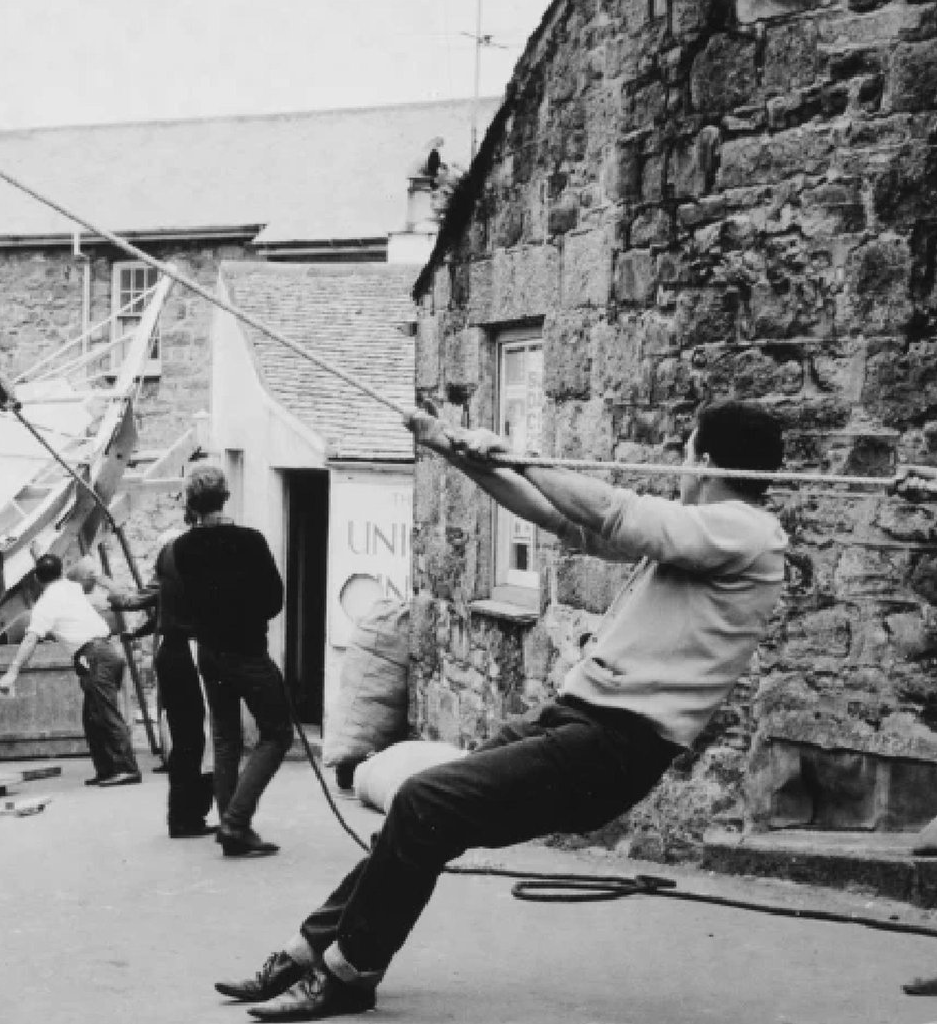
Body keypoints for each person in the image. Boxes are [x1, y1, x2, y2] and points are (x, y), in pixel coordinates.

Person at [215, 400, 788, 1019]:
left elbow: (622, 515)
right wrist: (452, 450)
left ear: (700, 459)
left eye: (685, 450)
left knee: (422, 803)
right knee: (419, 822)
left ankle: (350, 974)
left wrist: (525, 456)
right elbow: (561, 519)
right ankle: (310, 951)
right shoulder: (704, 535)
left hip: (616, 745)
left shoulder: (745, 531)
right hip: (578, 722)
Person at [173, 464, 294, 858]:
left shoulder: (184, 548)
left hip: (210, 653)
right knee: (277, 734)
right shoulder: (250, 541)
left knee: (226, 739)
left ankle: (230, 825)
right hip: (248, 653)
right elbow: (274, 600)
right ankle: (236, 822)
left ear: (191, 502)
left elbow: (189, 606)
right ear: (225, 497)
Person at [102, 513, 217, 838]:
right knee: (197, 738)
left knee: (185, 736)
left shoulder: (168, 575)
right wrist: (110, 587)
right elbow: (135, 603)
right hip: (189, 654)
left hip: (172, 653)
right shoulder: (191, 573)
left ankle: (186, 814)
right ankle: (190, 814)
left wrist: (108, 588)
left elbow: (143, 605)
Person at [0, 553, 141, 787]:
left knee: (106, 716)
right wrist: (38, 553)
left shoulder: (46, 604)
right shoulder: (70, 587)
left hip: (94, 656)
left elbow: (30, 640)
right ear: (60, 572)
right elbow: (59, 572)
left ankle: (127, 769)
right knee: (93, 719)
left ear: (36, 578)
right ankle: (106, 769)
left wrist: (13, 671)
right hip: (106, 652)